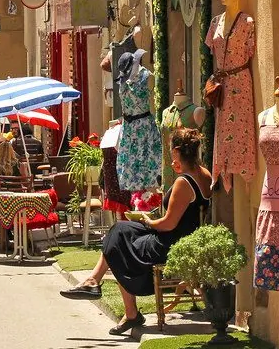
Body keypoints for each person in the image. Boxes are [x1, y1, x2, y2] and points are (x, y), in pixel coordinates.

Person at [59, 128, 212, 336]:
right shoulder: (204, 173)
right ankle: (95, 282)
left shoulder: (183, 182)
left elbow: (168, 224)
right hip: (183, 237)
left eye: (170, 149)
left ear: (176, 151)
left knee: (118, 240)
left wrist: (148, 220)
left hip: (170, 244)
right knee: (120, 229)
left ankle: (124, 308)